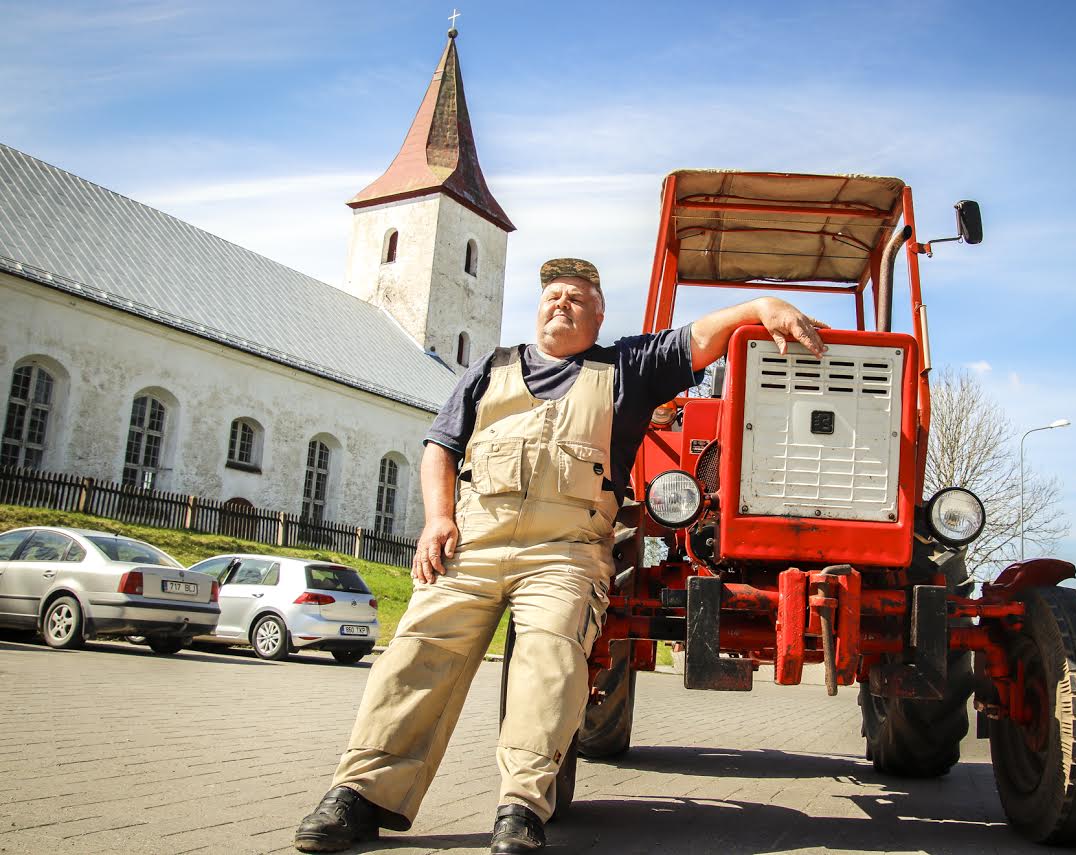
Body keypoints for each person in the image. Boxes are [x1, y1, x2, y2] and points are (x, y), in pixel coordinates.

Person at [294, 258, 828, 854]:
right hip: (473, 543)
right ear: (538, 306)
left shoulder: (627, 367)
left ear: (599, 314)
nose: (562, 304)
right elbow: (440, 447)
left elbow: (700, 337)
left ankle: (521, 808)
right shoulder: (490, 369)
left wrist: (760, 308)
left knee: (549, 659)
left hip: (566, 554)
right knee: (417, 650)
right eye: (552, 294)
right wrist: (438, 518)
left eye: (577, 297)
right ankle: (359, 796)